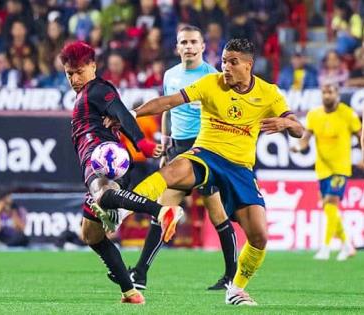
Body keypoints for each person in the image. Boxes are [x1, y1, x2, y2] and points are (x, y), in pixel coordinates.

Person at [96, 38, 304, 305]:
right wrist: (130, 115)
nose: (225, 67)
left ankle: (236, 288)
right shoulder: (210, 83)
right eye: (224, 61)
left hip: (240, 168)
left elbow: (300, 130)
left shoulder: (269, 93)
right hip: (205, 154)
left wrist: (286, 122)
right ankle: (120, 211)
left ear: (248, 65)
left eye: (233, 62)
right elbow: (169, 102)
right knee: (174, 170)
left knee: (259, 236)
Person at [112, 25, 238, 292]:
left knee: (217, 214)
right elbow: (168, 110)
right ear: (177, 47)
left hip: (204, 150)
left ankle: (231, 275)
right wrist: (166, 143)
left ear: (203, 47)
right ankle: (141, 272)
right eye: (184, 42)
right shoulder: (170, 75)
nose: (189, 47)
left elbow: (221, 116)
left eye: (194, 42)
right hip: (177, 149)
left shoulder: (214, 77)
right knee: (163, 209)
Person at [60, 41, 183, 305]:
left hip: (104, 157)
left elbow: (122, 114)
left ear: (93, 66)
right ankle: (131, 293)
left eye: (79, 71)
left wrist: (142, 143)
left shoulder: (99, 89)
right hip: (96, 160)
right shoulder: (86, 94)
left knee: (104, 194)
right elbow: (118, 117)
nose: (74, 78)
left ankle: (163, 211)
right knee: (91, 234)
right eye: (69, 73)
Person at [291, 83, 362, 261]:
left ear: (337, 94)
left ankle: (325, 247)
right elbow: (306, 138)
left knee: (331, 202)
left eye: (330, 92)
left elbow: (360, 135)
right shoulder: (314, 115)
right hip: (322, 168)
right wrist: (298, 147)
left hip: (341, 168)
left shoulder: (348, 114)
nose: (327, 95)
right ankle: (347, 245)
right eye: (324, 92)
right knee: (328, 207)